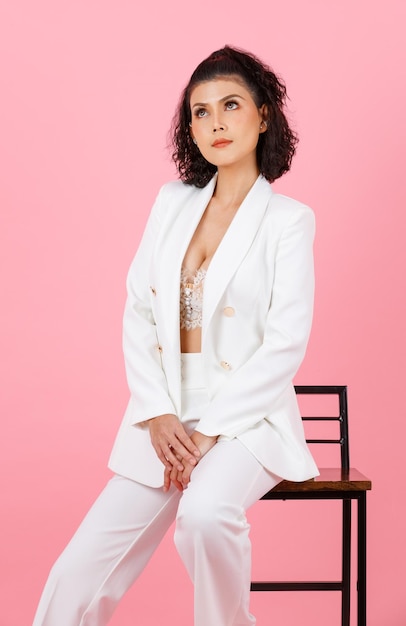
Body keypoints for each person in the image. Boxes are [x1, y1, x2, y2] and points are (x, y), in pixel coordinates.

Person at [33, 45, 319, 626]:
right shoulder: (171, 204)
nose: (214, 123)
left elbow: (284, 344)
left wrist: (212, 431)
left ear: (263, 115)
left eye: (230, 105)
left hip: (245, 420)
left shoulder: (289, 221)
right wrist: (157, 413)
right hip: (167, 417)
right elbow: (139, 310)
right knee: (74, 574)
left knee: (206, 516)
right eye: (200, 111)